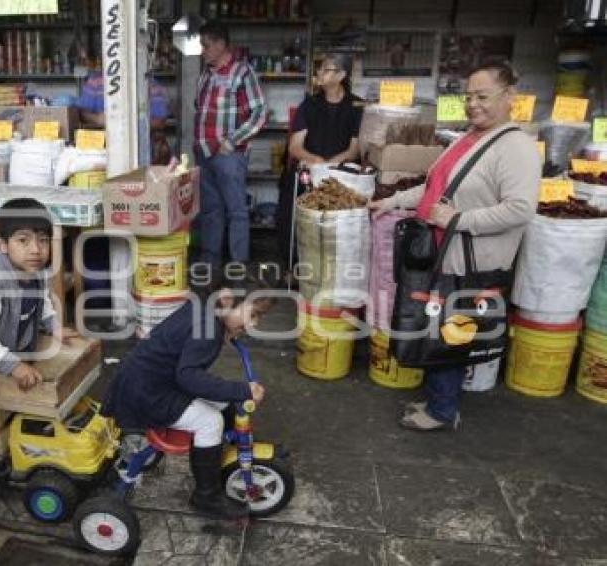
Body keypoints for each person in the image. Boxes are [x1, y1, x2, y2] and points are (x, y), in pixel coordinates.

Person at [369, 60, 540, 431]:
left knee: (451, 331)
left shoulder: (517, 147)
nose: (473, 104)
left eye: (483, 96)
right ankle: (439, 401)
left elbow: (521, 209)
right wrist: (394, 201)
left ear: (509, 97)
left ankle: (442, 412)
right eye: (468, 97)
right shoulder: (468, 139)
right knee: (441, 327)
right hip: (444, 250)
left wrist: (459, 220)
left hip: (470, 259)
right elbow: (436, 190)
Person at [101, 273, 273, 518]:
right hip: (149, 394)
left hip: (152, 381)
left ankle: (220, 453)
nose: (254, 324)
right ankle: (206, 496)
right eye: (253, 314)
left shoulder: (205, 312)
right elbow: (189, 377)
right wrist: (243, 389)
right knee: (209, 421)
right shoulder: (208, 327)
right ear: (226, 300)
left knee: (223, 401)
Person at [0, 199, 78, 391]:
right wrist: (14, 366)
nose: (35, 250)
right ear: (2, 245)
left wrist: (54, 327)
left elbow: (42, 303)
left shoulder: (35, 272)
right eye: (23, 240)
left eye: (42, 240)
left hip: (9, 348)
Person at [278, 53, 364, 271]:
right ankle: (292, 267)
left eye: (326, 69)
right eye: (320, 69)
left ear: (342, 75)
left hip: (340, 173)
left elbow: (353, 150)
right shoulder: (309, 105)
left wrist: (331, 167)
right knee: (291, 209)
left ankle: (334, 270)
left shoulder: (356, 106)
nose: (320, 73)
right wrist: (317, 162)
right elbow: (295, 147)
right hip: (309, 170)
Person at [194, 20, 267, 270]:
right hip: (204, 153)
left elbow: (259, 113)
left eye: (206, 45)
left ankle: (238, 264)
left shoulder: (242, 72)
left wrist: (232, 141)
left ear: (222, 44)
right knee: (210, 210)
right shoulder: (206, 73)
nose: (202, 51)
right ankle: (210, 261)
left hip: (228, 155)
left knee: (236, 210)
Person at [77, 69, 172, 164]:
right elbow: (82, 113)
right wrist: (97, 119)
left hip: (140, 148)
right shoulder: (96, 81)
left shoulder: (150, 84)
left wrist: (129, 123)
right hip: (101, 147)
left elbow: (160, 122)